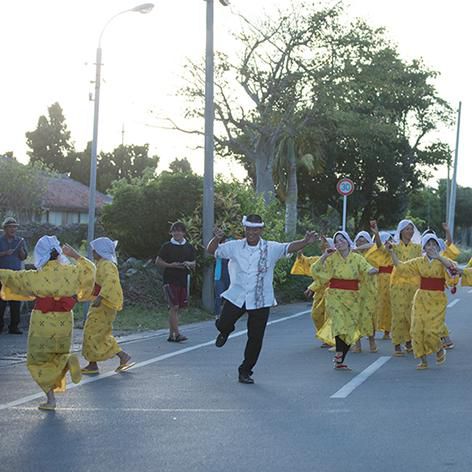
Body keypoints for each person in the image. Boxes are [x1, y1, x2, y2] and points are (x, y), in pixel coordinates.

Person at [207, 214, 317, 384]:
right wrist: (217, 238)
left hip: (261, 299)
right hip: (237, 295)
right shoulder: (235, 246)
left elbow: (288, 247)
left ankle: (245, 371)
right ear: (245, 229)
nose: (252, 232)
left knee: (255, 337)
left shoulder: (270, 247)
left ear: (261, 230)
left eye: (256, 228)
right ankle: (225, 331)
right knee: (223, 323)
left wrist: (305, 241)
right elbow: (212, 250)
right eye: (249, 228)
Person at [0, 236, 95, 410]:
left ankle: (51, 400)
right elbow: (90, 270)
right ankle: (66, 360)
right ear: (58, 252)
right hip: (64, 321)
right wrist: (76, 256)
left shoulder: (36, 275)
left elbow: (12, 277)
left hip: (42, 321)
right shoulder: (72, 271)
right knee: (58, 354)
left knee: (37, 361)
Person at [387, 234, 457, 369]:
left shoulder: (443, 261)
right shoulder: (419, 261)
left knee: (432, 330)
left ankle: (438, 349)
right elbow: (401, 267)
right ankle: (422, 359)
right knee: (416, 329)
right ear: (424, 247)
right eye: (428, 245)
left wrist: (439, 257)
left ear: (438, 246)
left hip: (437, 299)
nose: (431, 247)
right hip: (421, 297)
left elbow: (452, 269)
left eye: (434, 244)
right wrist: (391, 253)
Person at [312, 231, 378, 371]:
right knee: (339, 323)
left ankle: (340, 359)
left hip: (353, 297)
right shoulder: (331, 258)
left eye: (342, 240)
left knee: (350, 329)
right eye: (336, 241)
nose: (339, 243)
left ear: (348, 242)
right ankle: (339, 353)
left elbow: (368, 269)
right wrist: (324, 255)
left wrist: (377, 270)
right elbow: (316, 270)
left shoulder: (357, 258)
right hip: (335, 296)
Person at [81, 237, 134, 375]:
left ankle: (100, 362)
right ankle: (100, 362)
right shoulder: (102, 264)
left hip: (104, 303)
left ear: (101, 251)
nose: (93, 252)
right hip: (103, 303)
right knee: (99, 333)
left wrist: (100, 296)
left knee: (92, 332)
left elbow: (110, 281)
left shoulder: (107, 265)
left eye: (95, 250)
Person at [290, 236, 334, 348]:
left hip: (334, 292)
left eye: (326, 243)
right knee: (316, 315)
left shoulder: (336, 261)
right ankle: (326, 337)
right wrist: (299, 254)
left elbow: (326, 278)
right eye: (322, 243)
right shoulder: (318, 259)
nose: (323, 245)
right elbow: (306, 262)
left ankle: (331, 339)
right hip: (320, 293)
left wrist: (311, 287)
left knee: (330, 317)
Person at [155, 222, 196, 342]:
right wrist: (170, 265)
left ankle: (171, 334)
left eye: (180, 231)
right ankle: (177, 334)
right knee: (174, 306)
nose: (177, 233)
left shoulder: (189, 247)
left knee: (177, 308)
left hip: (183, 280)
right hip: (169, 280)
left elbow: (194, 264)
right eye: (175, 231)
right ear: (171, 232)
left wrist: (188, 264)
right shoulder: (166, 246)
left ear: (184, 233)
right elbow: (158, 261)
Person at [388, 219, 422, 356]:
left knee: (411, 313)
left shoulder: (417, 247)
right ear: (401, 231)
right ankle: (397, 343)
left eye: (411, 229)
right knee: (398, 313)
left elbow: (421, 263)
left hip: (414, 283)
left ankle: (409, 341)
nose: (410, 231)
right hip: (397, 283)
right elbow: (379, 248)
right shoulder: (394, 247)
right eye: (407, 229)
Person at [0, 217, 28, 334]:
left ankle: (14, 326)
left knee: (15, 301)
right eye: (10, 227)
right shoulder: (0, 240)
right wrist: (5, 253)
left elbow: (23, 257)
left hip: (15, 275)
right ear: (5, 228)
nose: (13, 229)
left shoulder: (20, 241)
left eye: (15, 227)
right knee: (1, 301)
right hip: (1, 275)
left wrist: (21, 250)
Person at [352, 231, 378, 353]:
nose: (361, 241)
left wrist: (356, 248)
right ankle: (357, 344)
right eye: (358, 239)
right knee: (355, 316)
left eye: (363, 240)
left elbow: (373, 245)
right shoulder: (352, 255)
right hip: (355, 290)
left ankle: (372, 341)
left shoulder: (373, 252)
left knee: (369, 316)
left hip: (370, 290)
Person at [369, 222, 395, 340]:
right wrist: (377, 234)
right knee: (375, 305)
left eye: (390, 239)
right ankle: (372, 330)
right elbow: (379, 246)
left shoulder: (393, 251)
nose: (388, 242)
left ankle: (387, 331)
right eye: (387, 240)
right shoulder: (377, 251)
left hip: (391, 280)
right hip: (378, 281)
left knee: (388, 306)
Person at [214, 236, 231, 319]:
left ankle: (227, 314)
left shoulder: (233, 252)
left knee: (229, 297)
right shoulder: (219, 251)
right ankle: (217, 314)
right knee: (218, 296)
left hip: (231, 277)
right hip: (219, 276)